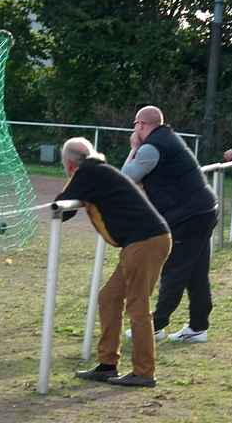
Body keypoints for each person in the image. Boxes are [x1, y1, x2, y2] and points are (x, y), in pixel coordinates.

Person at [56, 137, 172, 388]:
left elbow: (63, 209)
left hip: (144, 242)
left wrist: (71, 181)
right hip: (145, 240)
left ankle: (144, 371)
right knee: (108, 297)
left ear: (69, 163)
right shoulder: (97, 170)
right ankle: (107, 364)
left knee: (137, 305)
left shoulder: (86, 172)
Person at [122, 106, 218, 343]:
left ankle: (155, 326)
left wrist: (134, 148)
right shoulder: (167, 138)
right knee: (195, 272)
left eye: (135, 125)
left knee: (174, 270)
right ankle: (198, 327)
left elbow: (125, 178)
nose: (134, 129)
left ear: (142, 125)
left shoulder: (150, 147)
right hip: (203, 211)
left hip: (189, 216)